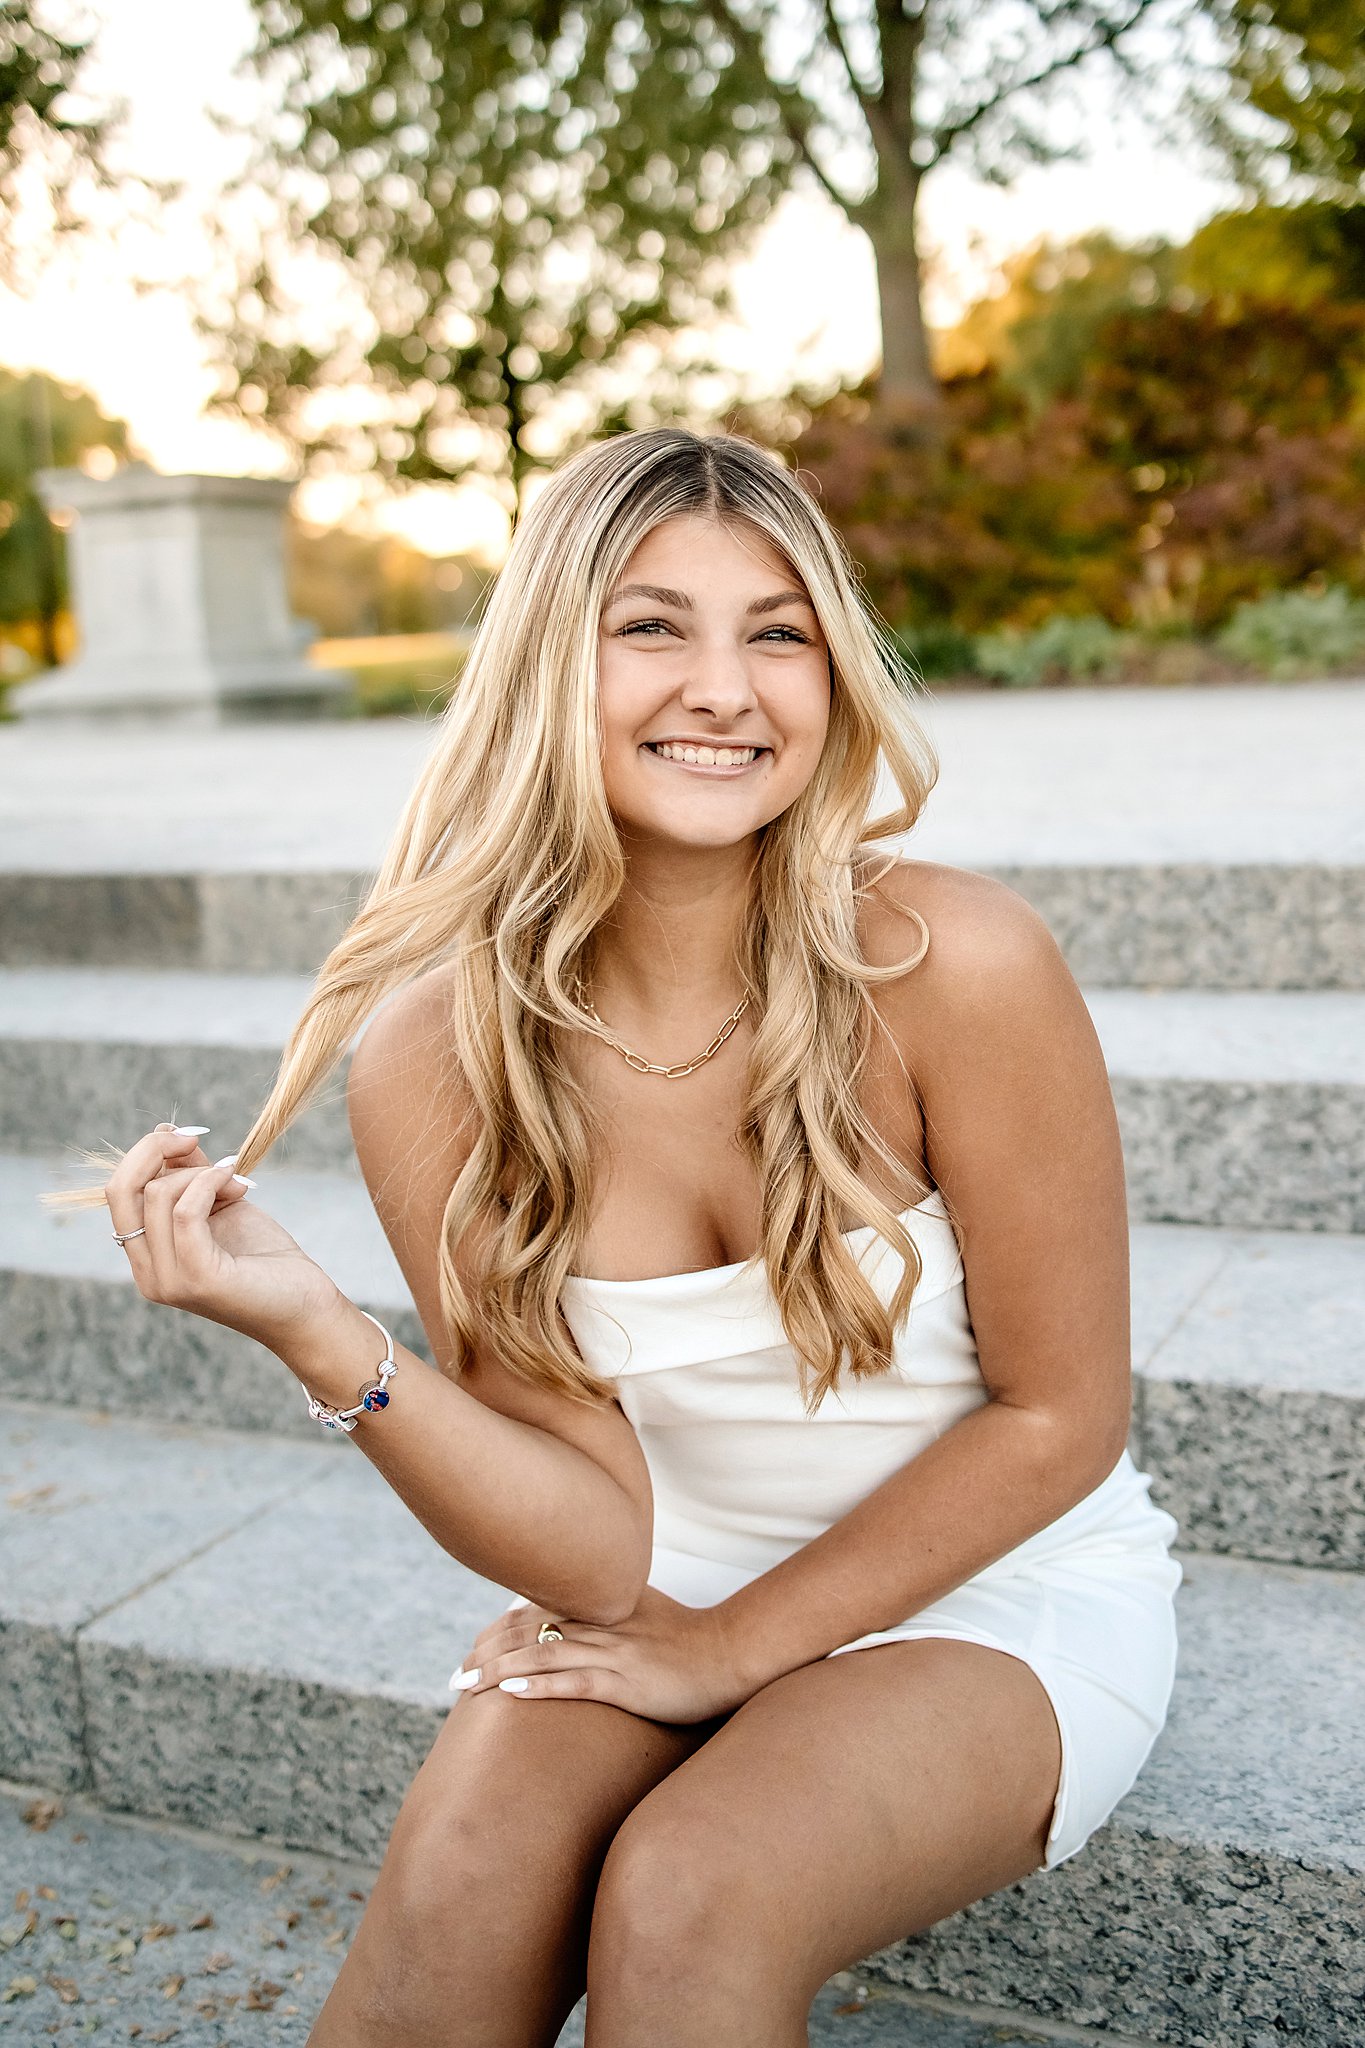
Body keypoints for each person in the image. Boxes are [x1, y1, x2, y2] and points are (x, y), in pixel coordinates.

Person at [51, 427, 1180, 2048]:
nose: (723, 686)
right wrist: (326, 1336)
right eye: (651, 627)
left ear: (834, 678)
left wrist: (734, 1654)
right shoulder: (442, 1049)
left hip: (994, 1583)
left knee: (689, 1892)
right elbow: (591, 1546)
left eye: (775, 632)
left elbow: (1062, 1417)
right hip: (658, 1589)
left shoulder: (958, 963)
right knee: (460, 1882)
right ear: (543, 668)